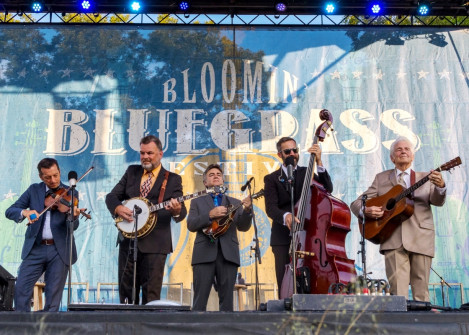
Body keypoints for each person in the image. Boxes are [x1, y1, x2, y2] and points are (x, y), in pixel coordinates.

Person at [350, 136, 446, 301]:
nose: (403, 151)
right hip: (392, 237)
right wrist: (366, 210)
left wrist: (441, 186)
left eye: (407, 149)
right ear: (392, 158)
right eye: (398, 149)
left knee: (421, 293)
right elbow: (356, 203)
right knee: (397, 295)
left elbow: (438, 201)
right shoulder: (381, 178)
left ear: (413, 156)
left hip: (421, 237)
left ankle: (421, 326)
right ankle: (401, 325)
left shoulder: (427, 177)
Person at [105, 135, 186, 304]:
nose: (145, 157)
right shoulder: (132, 172)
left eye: (150, 153)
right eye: (142, 153)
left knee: (151, 296)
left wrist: (177, 210)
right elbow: (111, 196)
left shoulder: (172, 179)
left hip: (156, 245)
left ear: (160, 154)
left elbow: (181, 212)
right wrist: (118, 208)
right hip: (128, 242)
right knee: (126, 295)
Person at [5, 158, 83, 312]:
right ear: (41, 177)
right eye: (48, 177)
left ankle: (46, 329)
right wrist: (26, 212)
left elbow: (72, 227)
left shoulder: (71, 192)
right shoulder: (34, 190)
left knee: (53, 298)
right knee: (21, 290)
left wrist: (73, 216)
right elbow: (10, 211)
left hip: (59, 250)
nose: (53, 180)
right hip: (35, 248)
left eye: (55, 175)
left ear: (60, 172)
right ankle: (23, 326)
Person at [264, 137, 333, 296]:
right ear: (280, 154)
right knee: (284, 282)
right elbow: (271, 208)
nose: (293, 154)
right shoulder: (271, 179)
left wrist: (319, 162)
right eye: (288, 151)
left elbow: (328, 189)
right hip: (282, 237)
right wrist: (286, 216)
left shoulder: (306, 173)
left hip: (307, 236)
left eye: (295, 150)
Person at [187, 164, 252, 311]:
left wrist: (247, 211)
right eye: (211, 174)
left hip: (228, 255)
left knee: (227, 303)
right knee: (199, 302)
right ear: (205, 182)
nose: (215, 176)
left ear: (222, 180)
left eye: (218, 174)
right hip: (203, 255)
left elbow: (243, 226)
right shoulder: (196, 201)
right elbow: (191, 224)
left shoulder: (234, 202)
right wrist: (210, 215)